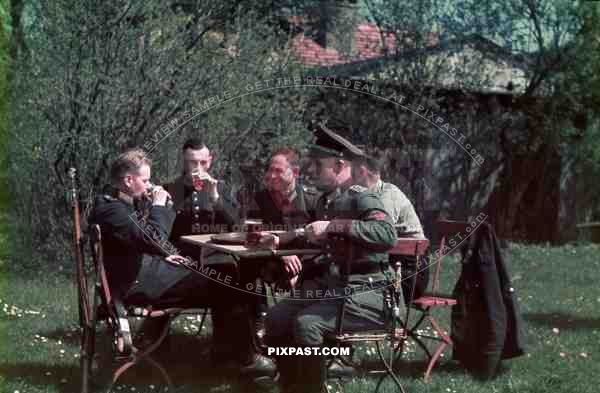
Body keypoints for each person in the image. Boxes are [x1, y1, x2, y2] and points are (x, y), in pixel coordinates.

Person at [90, 148, 258, 370]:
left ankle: (228, 353)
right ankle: (241, 359)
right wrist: (159, 206)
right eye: (146, 180)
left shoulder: (115, 203)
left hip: (141, 276)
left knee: (224, 272)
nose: (150, 185)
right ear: (129, 180)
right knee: (226, 280)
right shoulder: (113, 209)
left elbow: (141, 241)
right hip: (135, 286)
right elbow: (155, 238)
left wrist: (166, 256)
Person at [264, 126, 398, 393]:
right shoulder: (327, 200)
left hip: (368, 291)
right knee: (277, 317)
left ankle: (311, 388)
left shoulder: (363, 196)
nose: (311, 170)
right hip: (336, 288)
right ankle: (292, 385)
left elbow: (386, 234)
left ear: (339, 165)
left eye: (318, 164)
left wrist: (332, 226)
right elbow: (322, 235)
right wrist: (285, 240)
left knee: (307, 324)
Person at [164, 138, 275, 375]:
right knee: (227, 279)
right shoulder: (170, 190)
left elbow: (236, 226)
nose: (197, 169)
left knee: (246, 271)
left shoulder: (221, 188)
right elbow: (163, 234)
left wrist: (215, 197)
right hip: (186, 263)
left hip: (220, 257)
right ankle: (234, 351)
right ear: (183, 161)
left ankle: (250, 336)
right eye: (191, 163)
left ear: (210, 161)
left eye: (202, 162)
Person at [351, 154, 429, 304]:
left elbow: (379, 234)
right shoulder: (370, 196)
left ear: (362, 172)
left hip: (408, 273)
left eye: (351, 172)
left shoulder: (386, 195)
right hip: (391, 265)